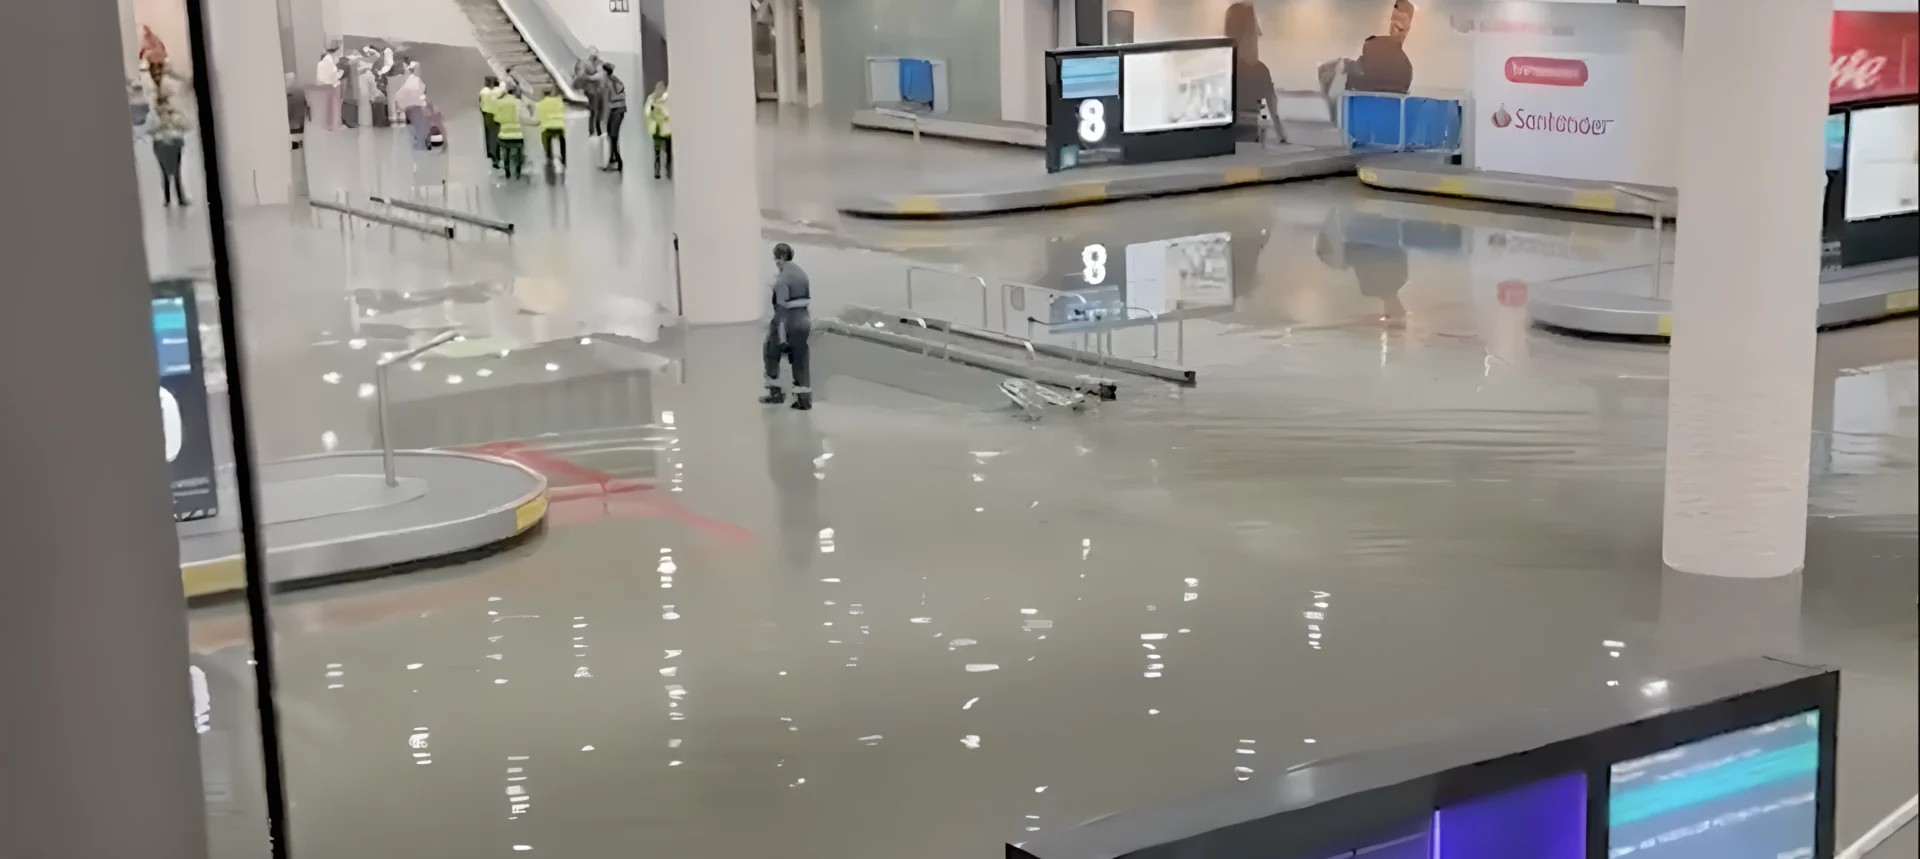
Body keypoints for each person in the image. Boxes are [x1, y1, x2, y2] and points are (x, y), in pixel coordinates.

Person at [760, 243, 812, 410]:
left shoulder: (782, 280)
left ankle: (775, 394)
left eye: (776, 258)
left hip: (787, 322)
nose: (775, 262)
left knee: (770, 352)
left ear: (781, 257)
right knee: (800, 360)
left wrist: (782, 339)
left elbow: (781, 312)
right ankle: (804, 400)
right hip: (804, 321)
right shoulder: (802, 275)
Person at [1224, 2, 1284, 144]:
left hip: (1236, 140)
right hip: (1244, 140)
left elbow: (1274, 110)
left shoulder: (1222, 68)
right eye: (1253, 29)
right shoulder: (1259, 70)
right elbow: (1274, 110)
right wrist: (1282, 135)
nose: (1259, 33)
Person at [148, 93, 191, 207]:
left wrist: (175, 119)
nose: (164, 107)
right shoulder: (153, 116)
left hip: (174, 144)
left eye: (165, 104)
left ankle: (178, 198)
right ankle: (169, 199)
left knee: (176, 172)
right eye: (161, 104)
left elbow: (187, 126)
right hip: (161, 145)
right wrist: (160, 124)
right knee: (165, 173)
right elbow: (149, 129)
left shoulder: (174, 115)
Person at [492, 85, 527, 178]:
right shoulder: (519, 102)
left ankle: (507, 170)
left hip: (504, 134)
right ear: (514, 93)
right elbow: (524, 117)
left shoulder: (500, 102)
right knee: (519, 151)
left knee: (505, 152)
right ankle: (518, 170)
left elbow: (496, 118)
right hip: (517, 134)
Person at [394, 62, 430, 150]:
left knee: (413, 128)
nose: (420, 70)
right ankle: (420, 145)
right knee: (419, 127)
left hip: (410, 108)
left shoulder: (410, 79)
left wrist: (403, 106)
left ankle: (416, 144)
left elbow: (399, 95)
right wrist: (422, 102)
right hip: (415, 107)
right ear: (415, 69)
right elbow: (418, 93)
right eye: (418, 68)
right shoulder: (415, 80)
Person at [602, 63, 628, 172]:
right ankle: (612, 158)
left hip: (616, 110)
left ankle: (618, 161)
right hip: (618, 109)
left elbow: (607, 98)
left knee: (613, 137)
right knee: (611, 135)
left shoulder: (608, 82)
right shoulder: (614, 80)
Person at [574, 49, 605, 138]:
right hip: (592, 91)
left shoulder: (598, 63)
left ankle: (596, 131)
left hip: (597, 90)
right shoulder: (586, 63)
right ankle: (593, 132)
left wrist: (589, 77)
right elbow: (581, 75)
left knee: (597, 111)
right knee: (594, 111)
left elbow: (600, 76)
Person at [535, 87, 567, 170]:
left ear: (543, 94)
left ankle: (549, 155)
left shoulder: (540, 104)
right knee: (562, 140)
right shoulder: (558, 102)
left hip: (548, 128)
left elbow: (538, 118)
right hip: (560, 126)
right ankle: (564, 158)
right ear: (551, 93)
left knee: (546, 137)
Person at [644, 81, 671, 179]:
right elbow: (647, 113)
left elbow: (668, 114)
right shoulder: (652, 99)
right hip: (659, 128)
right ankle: (660, 170)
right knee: (660, 151)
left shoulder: (665, 99)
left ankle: (664, 169)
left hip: (662, 128)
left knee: (664, 151)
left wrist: (659, 110)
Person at [312, 46, 344, 130]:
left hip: (323, 87)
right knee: (333, 107)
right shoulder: (330, 62)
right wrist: (340, 73)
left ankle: (327, 125)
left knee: (326, 107)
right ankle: (334, 125)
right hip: (332, 87)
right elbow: (333, 77)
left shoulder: (320, 64)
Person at [478, 76, 503, 168]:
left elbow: (480, 105)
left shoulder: (483, 92)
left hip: (487, 116)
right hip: (495, 116)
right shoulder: (496, 93)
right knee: (495, 136)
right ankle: (496, 156)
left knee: (489, 136)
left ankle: (491, 154)